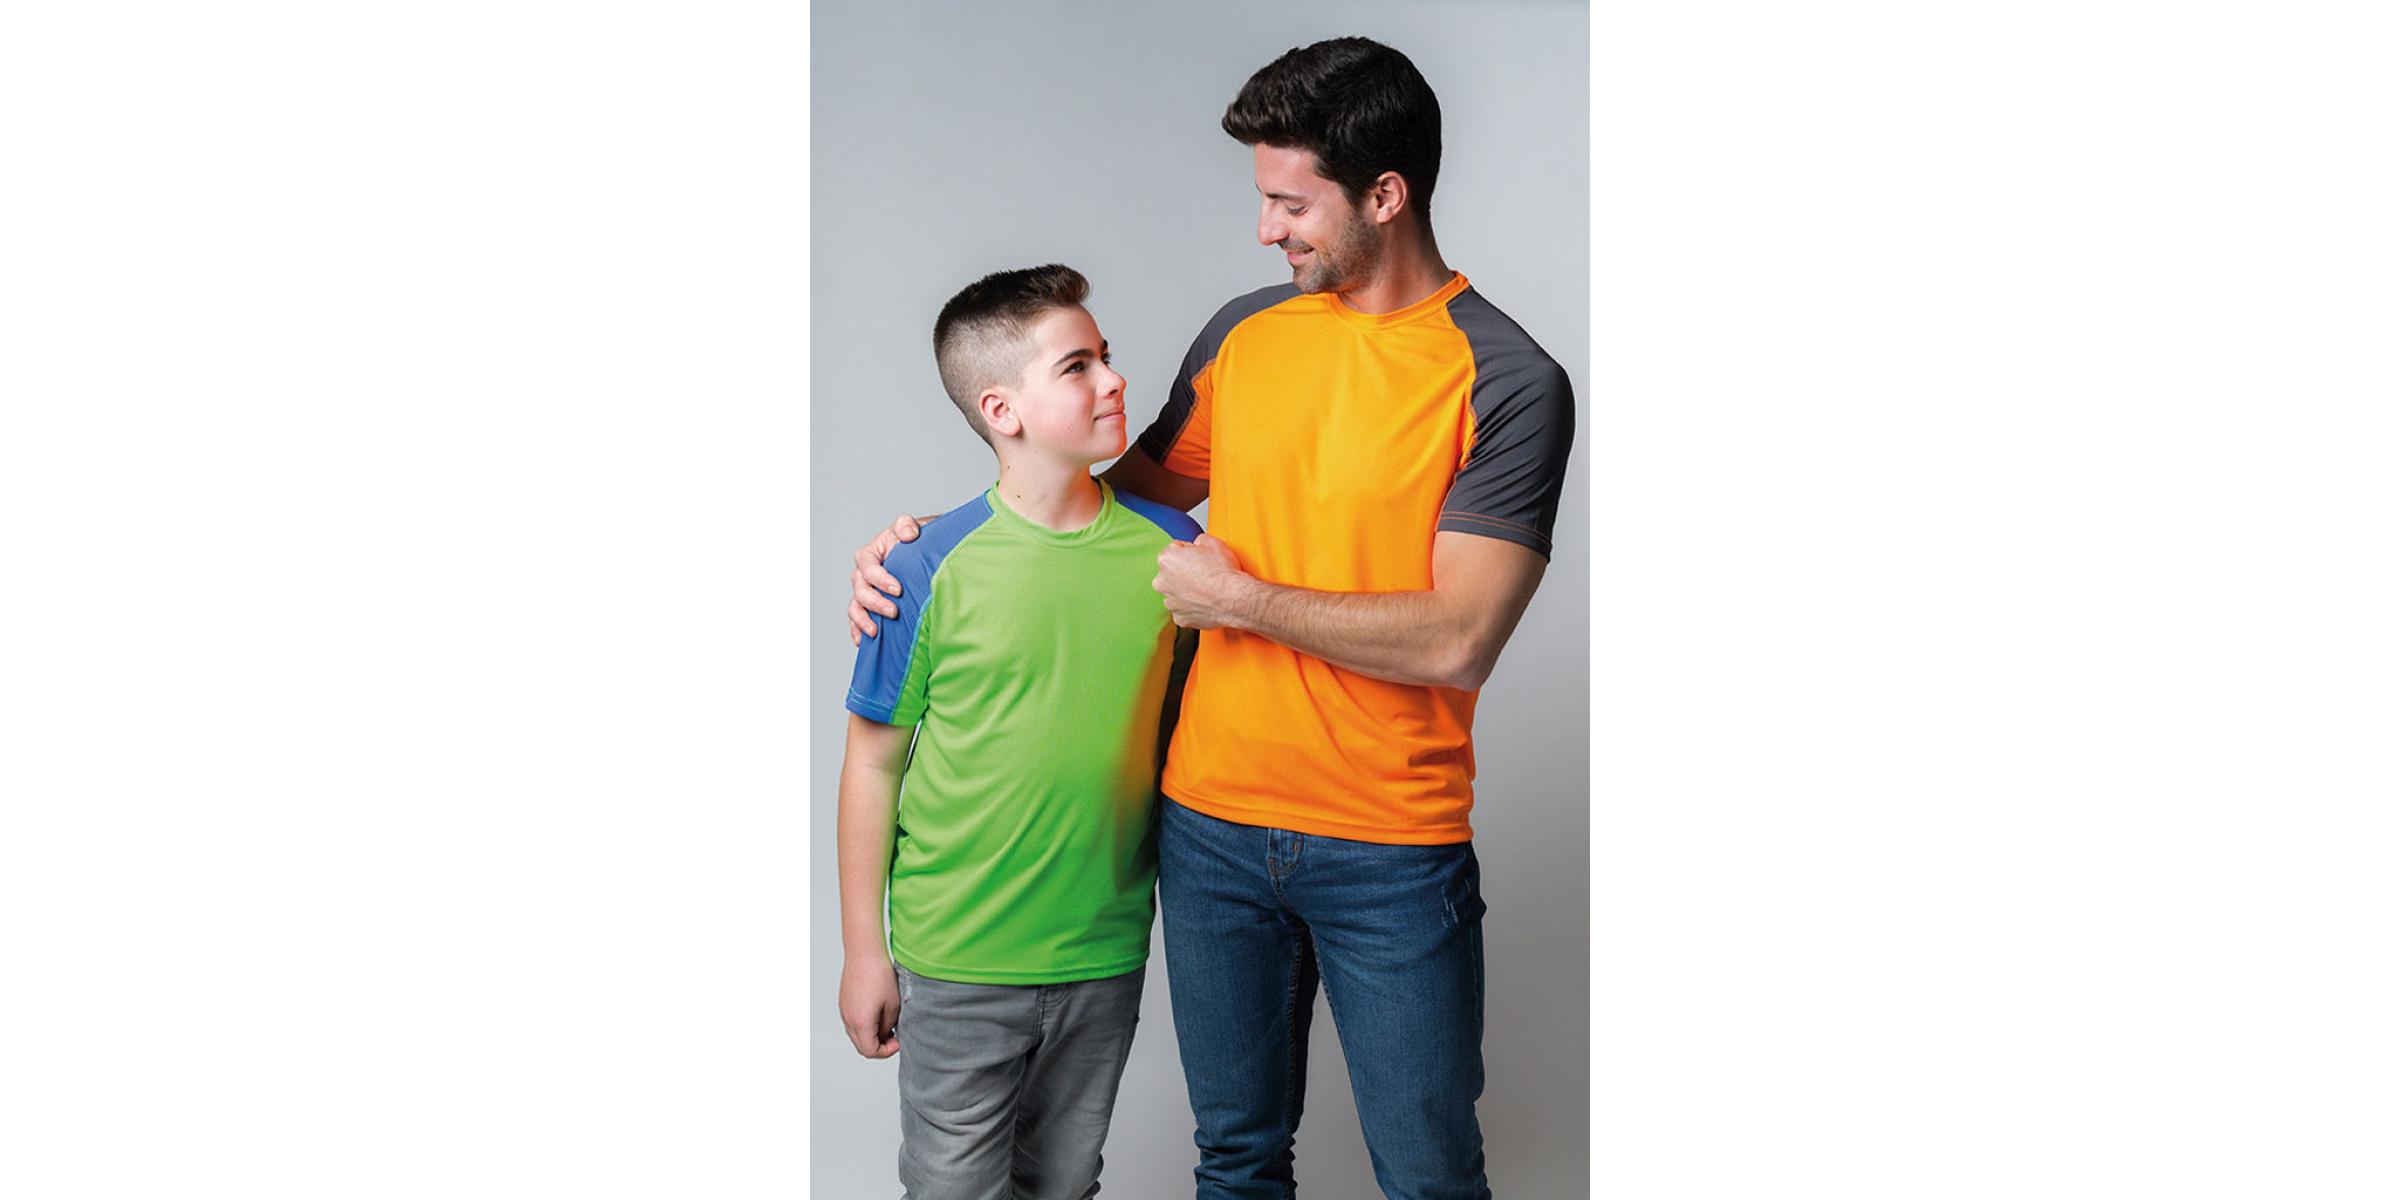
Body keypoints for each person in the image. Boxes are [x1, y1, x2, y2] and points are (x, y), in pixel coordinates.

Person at [848, 38, 1572, 1200]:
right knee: (1235, 1161)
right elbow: (1092, 501)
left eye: (1291, 203)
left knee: (1430, 1175)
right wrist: (925, 548)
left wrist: (1241, 603)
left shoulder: (1507, 378)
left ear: (1385, 196)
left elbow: (1457, 637)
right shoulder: (1247, 334)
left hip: (1389, 846)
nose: (1265, 229)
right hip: (1207, 834)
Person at [836, 263, 1200, 1200]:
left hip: (1104, 950)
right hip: (956, 955)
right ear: (1001, 409)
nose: (1114, 380)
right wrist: (864, 952)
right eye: (1078, 367)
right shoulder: (923, 567)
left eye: (1106, 357)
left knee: (1064, 1184)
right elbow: (872, 767)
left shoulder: (1178, 555)